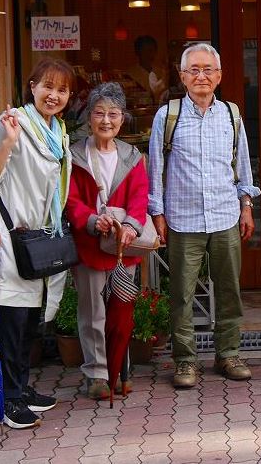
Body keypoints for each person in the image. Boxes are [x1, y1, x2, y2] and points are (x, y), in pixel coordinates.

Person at [148, 43, 260, 389]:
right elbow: (155, 168)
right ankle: (185, 361)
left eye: (208, 69)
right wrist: (157, 212)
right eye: (193, 70)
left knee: (229, 290)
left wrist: (246, 205)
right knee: (181, 295)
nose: (201, 76)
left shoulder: (231, 115)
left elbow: (242, 165)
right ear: (182, 76)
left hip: (225, 214)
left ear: (219, 75)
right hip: (183, 218)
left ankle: (228, 354)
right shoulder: (167, 116)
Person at [0, 57, 74, 428]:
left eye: (62, 90)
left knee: (31, 320)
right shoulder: (14, 122)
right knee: (13, 320)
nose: (54, 95)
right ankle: (6, 401)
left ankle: (21, 388)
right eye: (47, 86)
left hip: (41, 237)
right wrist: (7, 142)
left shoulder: (58, 131)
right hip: (13, 236)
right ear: (32, 86)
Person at [65, 82, 147, 400]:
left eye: (113, 114)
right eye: (99, 113)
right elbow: (70, 199)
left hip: (123, 246)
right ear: (89, 117)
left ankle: (120, 371)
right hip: (89, 246)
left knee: (121, 312)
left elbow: (140, 197)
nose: (106, 120)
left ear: (122, 118)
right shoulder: (75, 155)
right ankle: (98, 374)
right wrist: (90, 220)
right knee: (93, 312)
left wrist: (131, 225)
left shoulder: (132, 156)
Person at [125, 35, 167, 104]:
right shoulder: (130, 74)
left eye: (152, 50)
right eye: (145, 51)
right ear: (138, 52)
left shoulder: (161, 72)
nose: (149, 54)